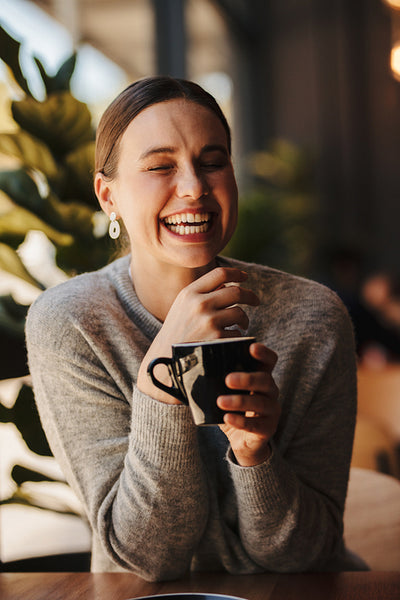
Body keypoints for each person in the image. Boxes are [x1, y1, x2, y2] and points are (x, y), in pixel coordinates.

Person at [26, 76, 367, 580]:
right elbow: (146, 559)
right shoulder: (73, 323)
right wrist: (164, 378)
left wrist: (255, 456)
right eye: (160, 166)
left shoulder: (312, 316)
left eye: (213, 162)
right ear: (108, 196)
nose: (193, 187)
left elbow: (307, 558)